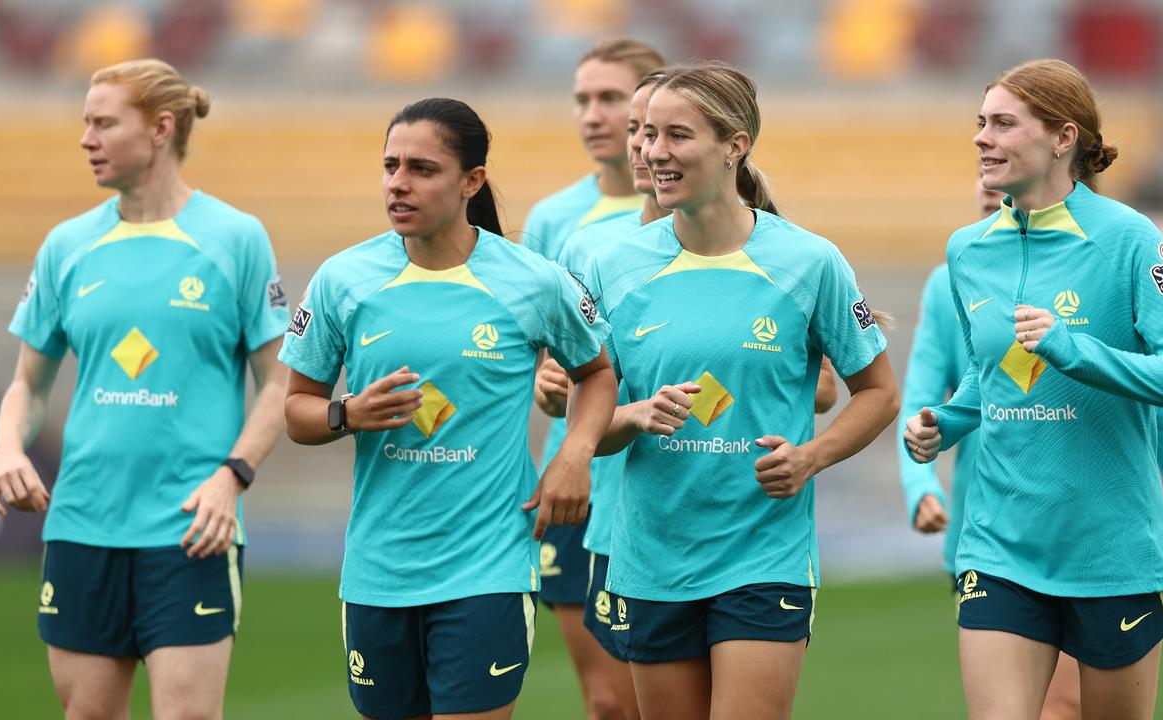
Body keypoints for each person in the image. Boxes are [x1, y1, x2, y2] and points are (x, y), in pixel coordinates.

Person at [279, 97, 617, 720]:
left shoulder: (533, 281)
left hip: (487, 567)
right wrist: (346, 414)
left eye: (422, 169)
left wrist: (574, 454)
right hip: (378, 571)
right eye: (390, 166)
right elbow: (297, 408)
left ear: (471, 181)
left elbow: (597, 374)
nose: (399, 183)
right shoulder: (342, 279)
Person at [904, 59, 1163, 720]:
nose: (981, 138)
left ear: (1062, 137)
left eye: (1002, 123)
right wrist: (943, 422)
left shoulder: (1130, 238)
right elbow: (988, 381)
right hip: (1000, 546)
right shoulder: (967, 250)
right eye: (979, 123)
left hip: (1112, 551)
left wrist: (1073, 350)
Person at [586, 62, 899, 720]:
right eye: (648, 136)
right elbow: (590, 425)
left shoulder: (811, 262)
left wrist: (812, 456)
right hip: (653, 557)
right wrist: (634, 416)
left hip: (764, 555)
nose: (654, 152)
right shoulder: (612, 266)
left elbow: (878, 392)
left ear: (735, 145)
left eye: (677, 135)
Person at [0, 58, 291, 718]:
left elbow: (278, 384)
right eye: (84, 123)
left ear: (159, 128)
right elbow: (26, 384)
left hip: (191, 527)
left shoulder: (235, 239)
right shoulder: (67, 244)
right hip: (83, 524)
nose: (85, 138)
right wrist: (8, 447)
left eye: (102, 123)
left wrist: (232, 476)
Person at [520, 36, 666, 719]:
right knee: (608, 702)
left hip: (664, 474)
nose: (594, 115)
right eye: (583, 99)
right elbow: (540, 352)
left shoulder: (704, 214)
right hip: (579, 477)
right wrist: (548, 384)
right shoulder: (555, 221)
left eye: (612, 99)